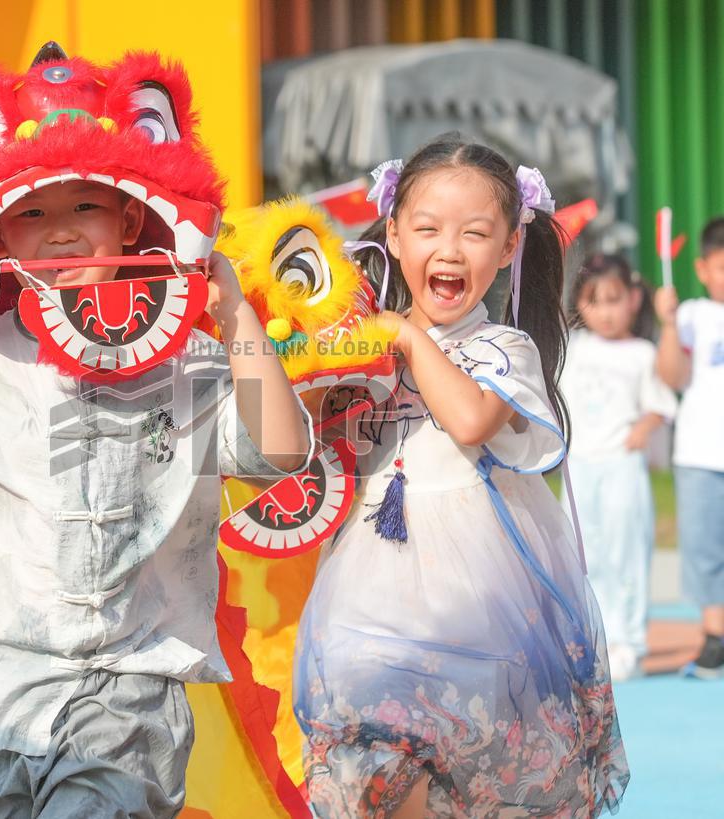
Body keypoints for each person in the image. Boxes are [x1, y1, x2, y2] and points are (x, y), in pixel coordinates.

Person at [0, 176, 313, 816]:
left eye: (86, 207)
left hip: (125, 696)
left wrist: (234, 310)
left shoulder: (192, 362)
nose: (61, 229)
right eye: (32, 211)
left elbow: (281, 453)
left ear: (129, 223)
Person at [293, 136, 629, 818]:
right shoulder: (360, 342)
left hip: (480, 612)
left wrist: (410, 340)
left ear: (508, 247)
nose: (449, 250)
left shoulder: (501, 347)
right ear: (392, 233)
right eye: (426, 229)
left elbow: (471, 421)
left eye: (475, 233)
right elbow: (285, 444)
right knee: (374, 769)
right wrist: (273, 339)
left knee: (479, 779)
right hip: (367, 605)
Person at [561, 254, 677, 682]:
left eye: (613, 300)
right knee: (583, 555)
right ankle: (592, 641)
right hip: (579, 469)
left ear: (632, 300)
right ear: (579, 303)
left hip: (622, 467)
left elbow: (660, 405)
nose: (605, 312)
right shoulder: (572, 349)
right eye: (594, 301)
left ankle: (628, 641)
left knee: (626, 553)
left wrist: (644, 428)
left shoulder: (642, 353)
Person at [654, 217, 724, 680]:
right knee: (704, 549)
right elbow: (673, 378)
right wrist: (668, 323)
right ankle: (715, 638)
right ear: (702, 268)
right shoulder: (695, 315)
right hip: (701, 452)